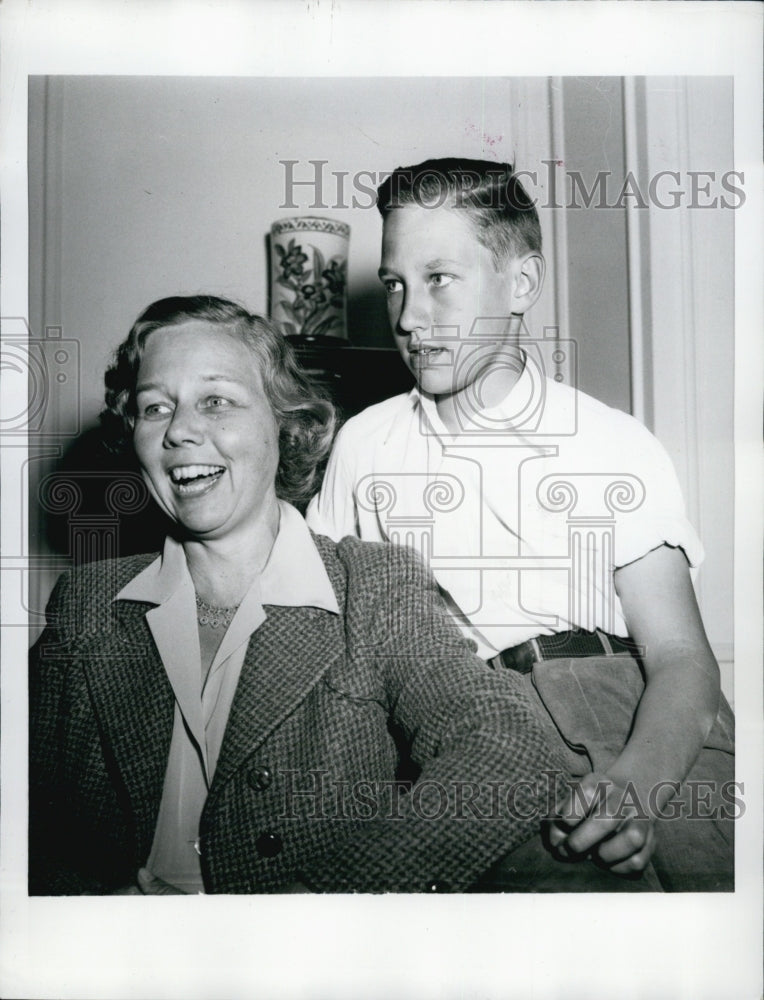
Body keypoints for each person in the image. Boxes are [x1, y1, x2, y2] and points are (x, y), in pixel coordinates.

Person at [29, 293, 587, 895]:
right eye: (155, 407)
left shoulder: (371, 586)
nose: (181, 430)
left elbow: (513, 747)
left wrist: (311, 915)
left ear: (284, 422)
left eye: (216, 401)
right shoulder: (84, 604)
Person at [306, 158, 736, 891]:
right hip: (471, 737)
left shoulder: (608, 438)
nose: (410, 318)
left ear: (522, 285)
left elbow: (684, 661)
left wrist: (638, 785)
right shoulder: (366, 445)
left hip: (633, 717)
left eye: (440, 279)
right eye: (396, 284)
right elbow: (330, 641)